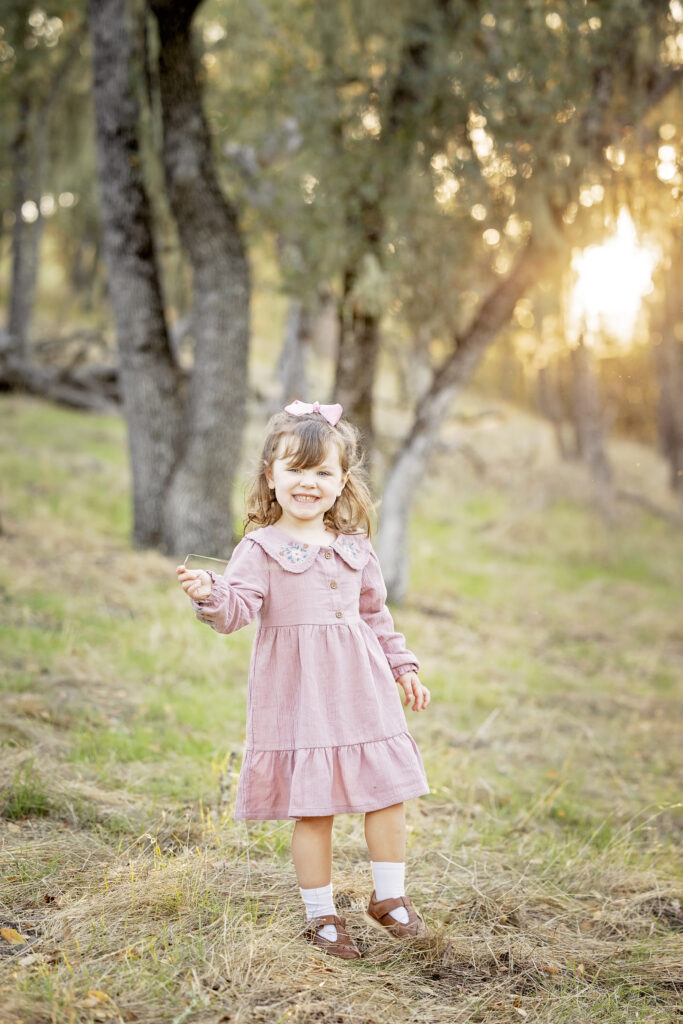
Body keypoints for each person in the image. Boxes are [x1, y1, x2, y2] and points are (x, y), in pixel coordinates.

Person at [175, 399, 431, 960]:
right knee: (315, 807)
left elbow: (375, 616)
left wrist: (403, 666)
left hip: (362, 689)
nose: (308, 483)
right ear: (271, 475)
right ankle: (322, 915)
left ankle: (390, 899)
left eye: (322, 472)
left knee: (388, 794)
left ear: (343, 482)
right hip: (302, 695)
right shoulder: (260, 548)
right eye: (295, 469)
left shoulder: (356, 548)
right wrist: (210, 594)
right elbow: (237, 610)